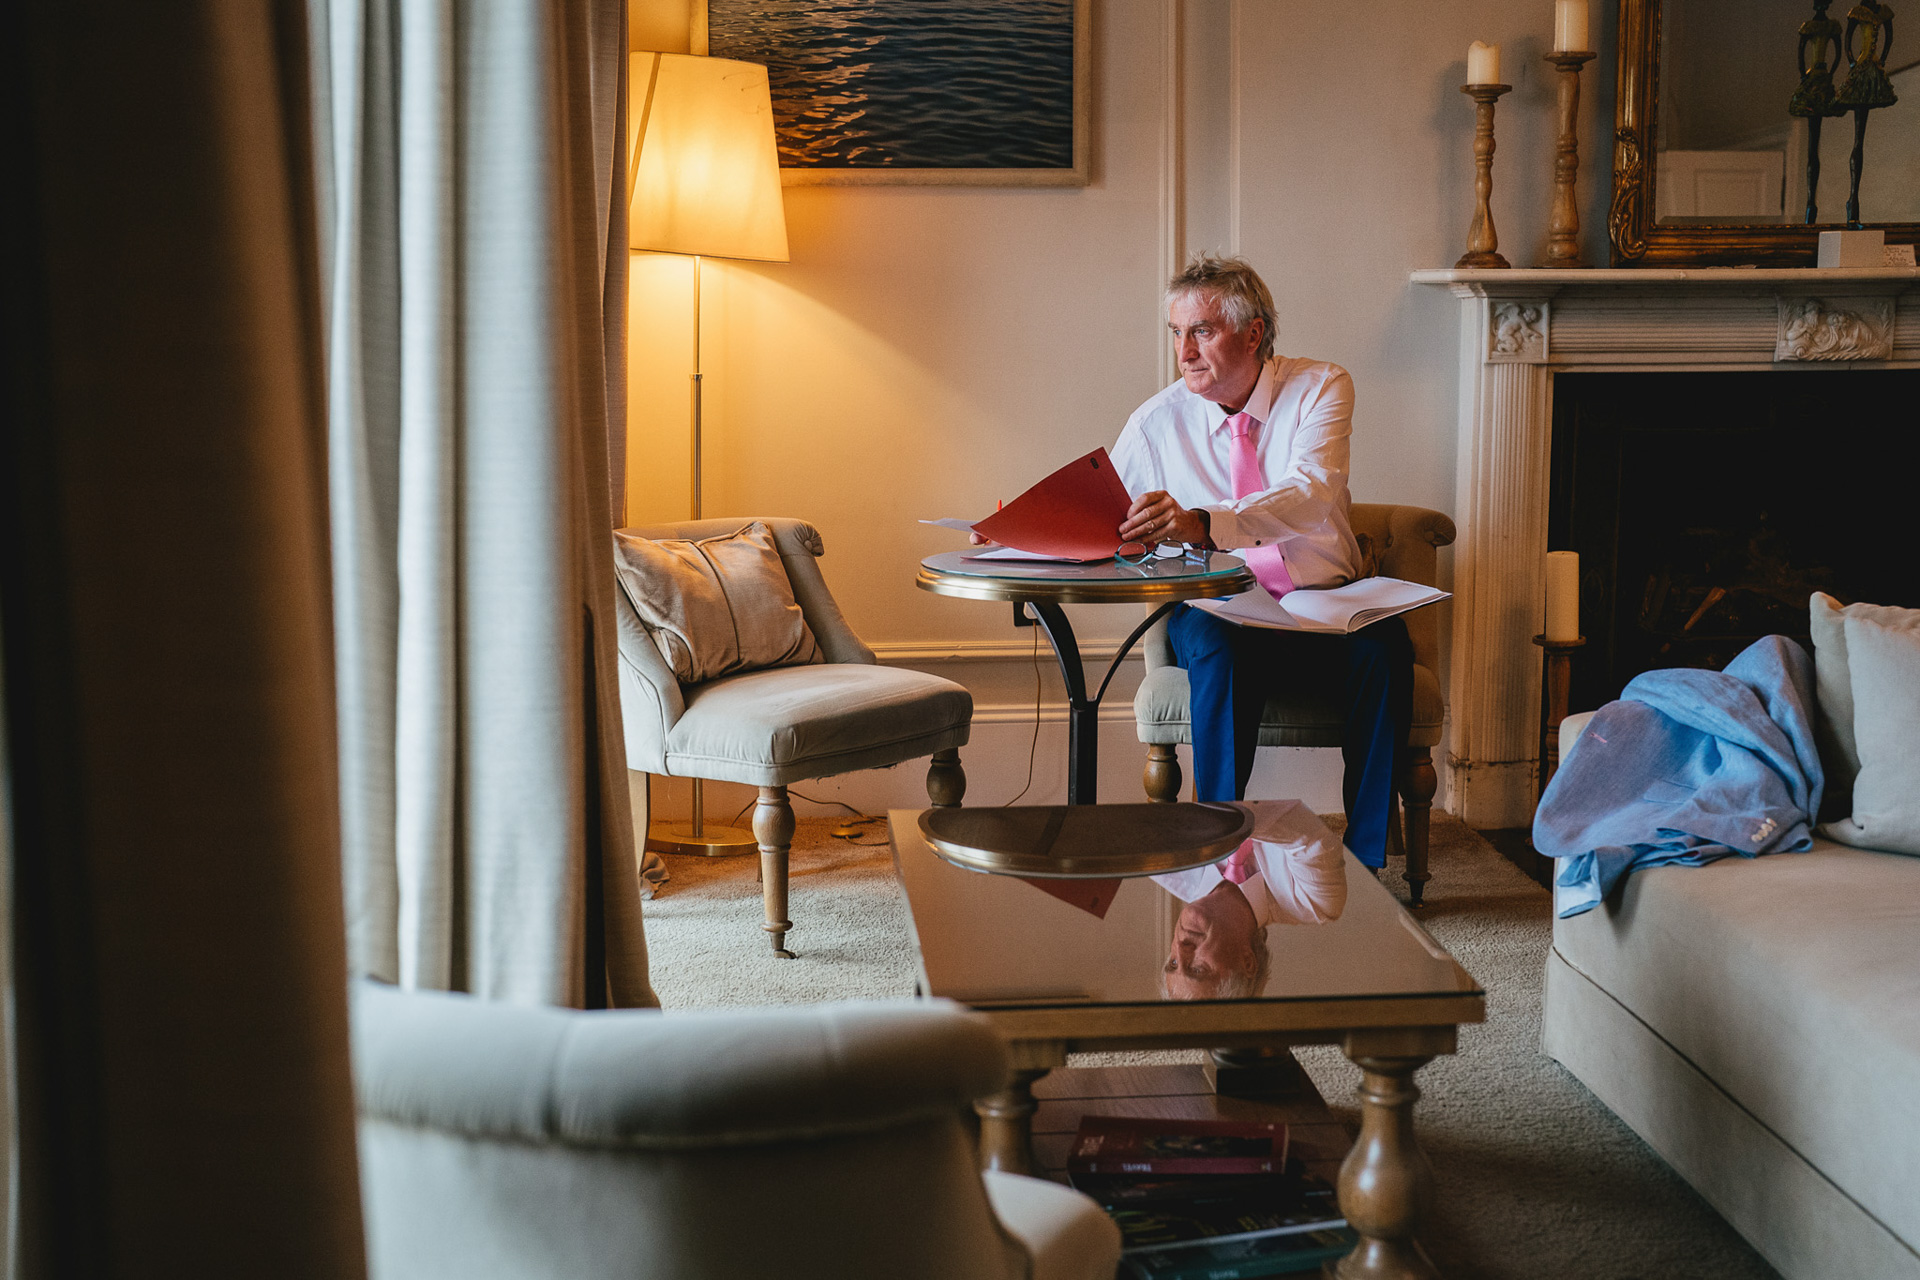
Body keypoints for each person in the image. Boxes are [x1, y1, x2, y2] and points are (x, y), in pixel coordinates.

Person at [1112, 255, 1413, 870]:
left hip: (1325, 602)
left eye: (1201, 331)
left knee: (1386, 648)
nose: (1184, 352)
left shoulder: (1321, 387)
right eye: (1176, 333)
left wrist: (1205, 522)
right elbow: (1107, 520)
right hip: (1219, 605)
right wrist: (1031, 536)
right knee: (1219, 644)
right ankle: (1213, 850)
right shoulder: (1152, 425)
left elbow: (1310, 493)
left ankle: (1369, 861)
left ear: (1253, 333)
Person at [1155, 799, 1348, 1000]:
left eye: (1173, 963)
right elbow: (1303, 825)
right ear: (1247, 962)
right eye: (1197, 970)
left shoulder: (1161, 865)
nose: (1179, 947)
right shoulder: (1315, 901)